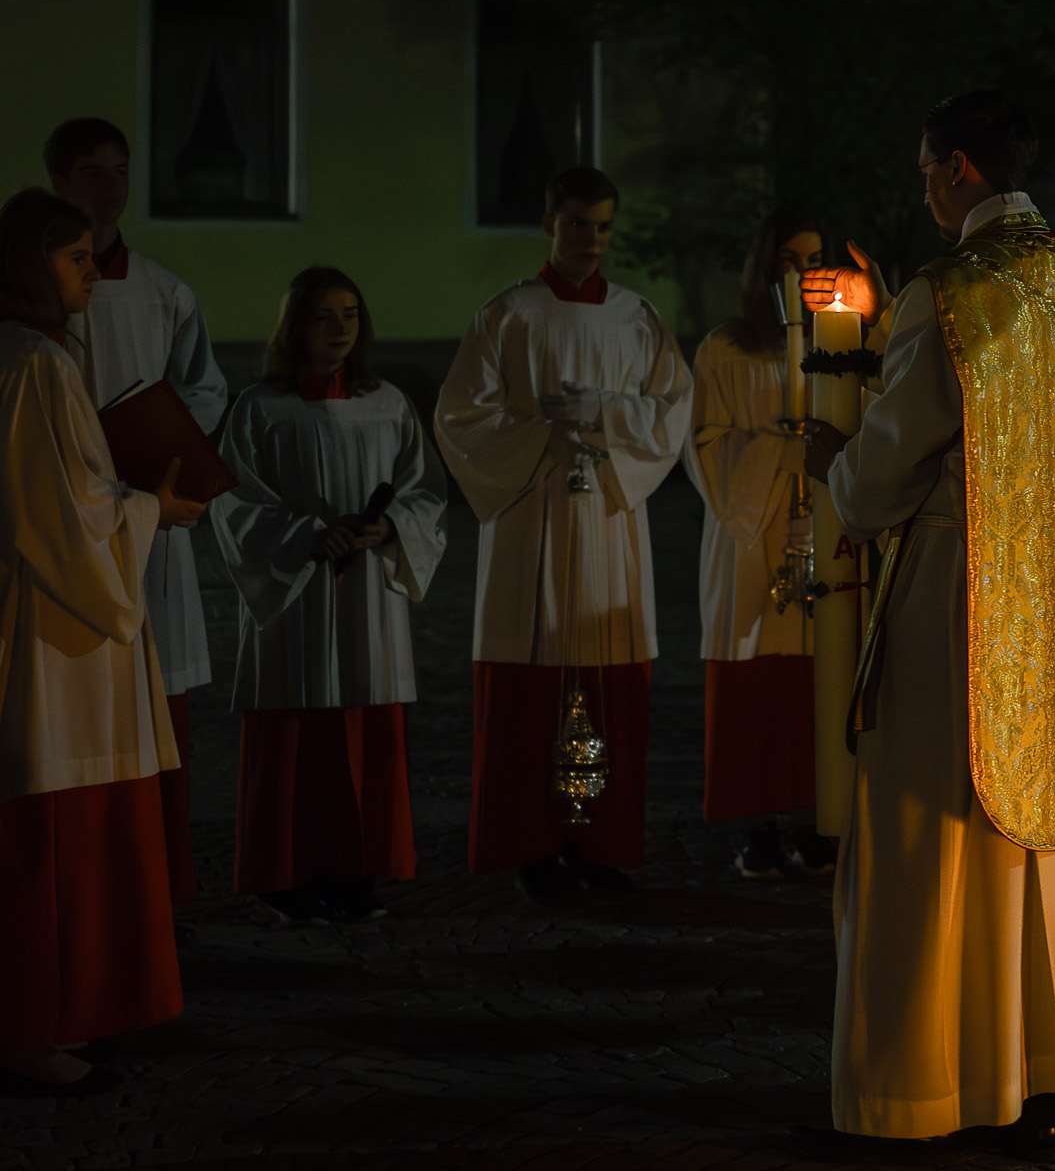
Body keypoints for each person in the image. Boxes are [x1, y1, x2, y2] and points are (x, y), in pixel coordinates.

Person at [799, 91, 1055, 1155]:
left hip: (958, 589)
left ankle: (928, 1086)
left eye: (925, 169)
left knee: (937, 822)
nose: (921, 187)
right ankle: (1054, 1069)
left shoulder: (948, 293)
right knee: (1047, 828)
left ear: (959, 169)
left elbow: (883, 469)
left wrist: (838, 473)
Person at [435, 167, 694, 905]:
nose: (593, 240)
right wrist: (540, 434)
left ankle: (599, 839)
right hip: (532, 516)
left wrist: (608, 415)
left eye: (605, 227)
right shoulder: (509, 315)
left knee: (607, 678)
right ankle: (532, 843)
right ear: (551, 223)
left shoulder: (638, 318)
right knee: (532, 679)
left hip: (610, 515)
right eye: (579, 224)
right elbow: (460, 416)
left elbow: (673, 411)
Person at [0, 188, 203, 1093]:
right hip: (56, 635)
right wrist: (148, 510)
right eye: (75, 258)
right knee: (49, 831)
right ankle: (36, 1026)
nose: (92, 271)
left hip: (28, 616)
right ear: (29, 264)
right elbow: (61, 517)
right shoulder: (35, 364)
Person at [211, 268, 447, 924]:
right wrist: (307, 536)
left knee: (362, 730)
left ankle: (354, 869)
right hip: (296, 597)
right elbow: (235, 504)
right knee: (297, 730)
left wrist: (391, 526)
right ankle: (284, 874)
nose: (340, 328)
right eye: (324, 316)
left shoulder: (387, 403)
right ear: (294, 327)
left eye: (350, 314)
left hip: (369, 591)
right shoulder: (261, 408)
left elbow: (424, 489)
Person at [48, 117, 227, 912]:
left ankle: (164, 897)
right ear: (60, 181)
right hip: (71, 524)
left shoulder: (164, 290)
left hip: (150, 521)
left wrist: (160, 445)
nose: (111, 186)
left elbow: (206, 386)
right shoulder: (36, 292)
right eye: (93, 172)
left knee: (163, 716)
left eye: (120, 171)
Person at [687, 211, 831, 878]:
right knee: (751, 683)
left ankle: (813, 816)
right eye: (789, 261)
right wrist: (782, 452)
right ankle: (754, 827)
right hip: (748, 539)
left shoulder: (839, 344)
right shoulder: (726, 349)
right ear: (765, 267)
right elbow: (705, 443)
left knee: (811, 684)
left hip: (816, 534)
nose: (803, 275)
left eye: (815, 260)